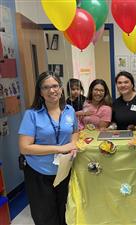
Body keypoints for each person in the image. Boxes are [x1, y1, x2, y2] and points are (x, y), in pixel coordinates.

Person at [18, 72, 78, 225]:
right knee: (45, 216)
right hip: (39, 172)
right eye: (46, 87)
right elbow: (24, 147)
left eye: (55, 86)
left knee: (66, 212)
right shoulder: (31, 115)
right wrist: (59, 148)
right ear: (40, 92)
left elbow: (75, 132)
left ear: (61, 89)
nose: (52, 91)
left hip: (64, 170)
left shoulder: (69, 110)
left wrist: (73, 146)